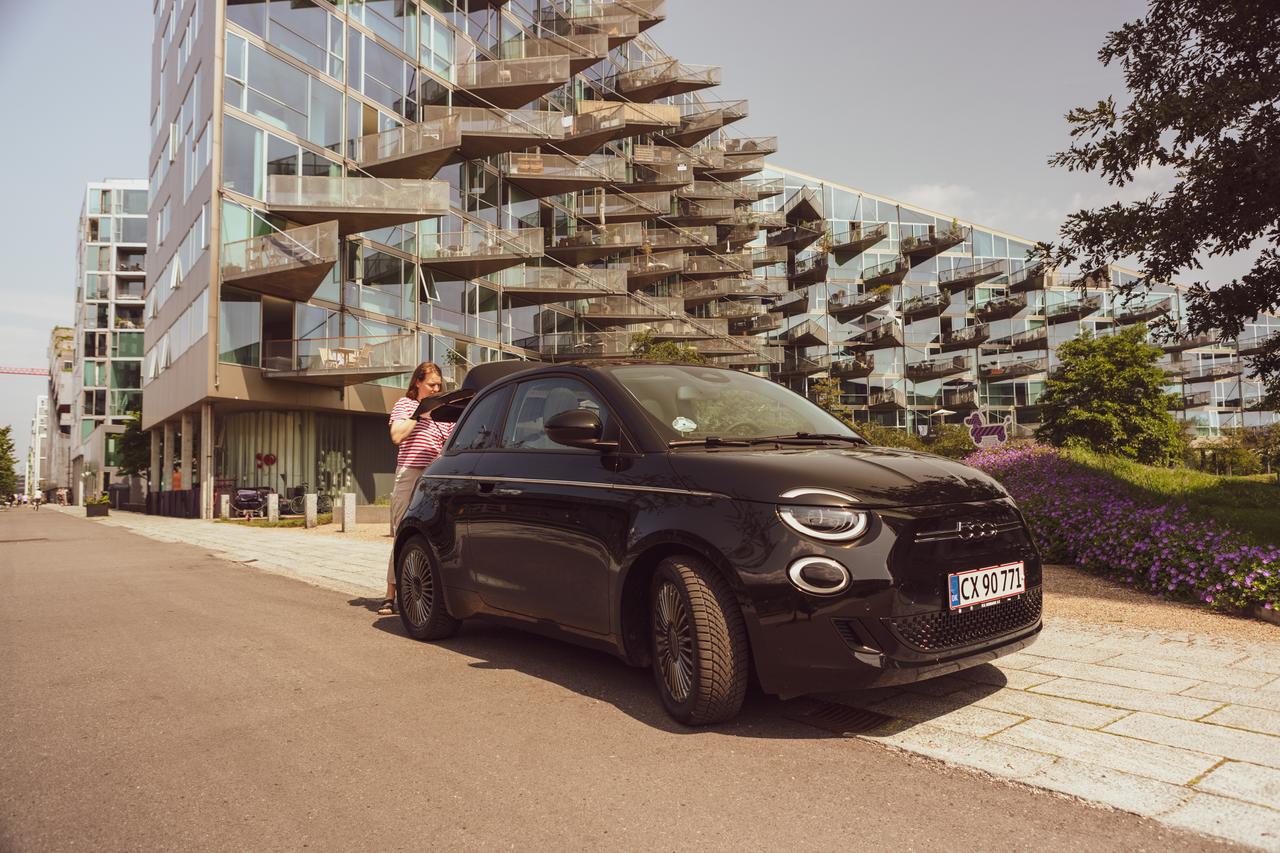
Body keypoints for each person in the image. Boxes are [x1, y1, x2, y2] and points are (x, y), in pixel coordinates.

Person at [381, 362, 454, 615]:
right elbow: (396, 436)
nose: (436, 389)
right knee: (402, 532)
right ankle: (390, 595)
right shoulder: (405, 405)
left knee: (432, 534)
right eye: (431, 384)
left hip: (434, 477)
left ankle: (423, 593)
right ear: (417, 383)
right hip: (409, 473)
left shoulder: (443, 414)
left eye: (438, 385)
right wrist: (419, 413)